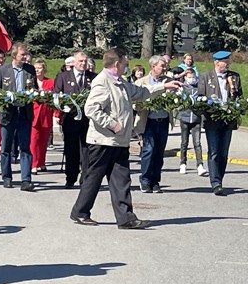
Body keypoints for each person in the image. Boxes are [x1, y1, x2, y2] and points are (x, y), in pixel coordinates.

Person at [70, 48, 181, 229]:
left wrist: (164, 87)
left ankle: (126, 219)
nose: (127, 66)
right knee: (93, 178)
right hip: (103, 141)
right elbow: (91, 109)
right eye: (125, 63)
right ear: (116, 64)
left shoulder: (121, 82)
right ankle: (80, 212)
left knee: (121, 180)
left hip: (119, 142)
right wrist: (113, 124)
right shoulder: (102, 81)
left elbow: (141, 92)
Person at [197, 51, 242, 196]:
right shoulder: (205, 76)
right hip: (212, 120)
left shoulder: (234, 77)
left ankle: (219, 178)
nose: (228, 65)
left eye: (228, 63)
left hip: (228, 120)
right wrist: (207, 107)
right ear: (217, 63)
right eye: (225, 63)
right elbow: (200, 97)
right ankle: (216, 183)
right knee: (214, 152)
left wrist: (236, 102)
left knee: (223, 153)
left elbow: (239, 96)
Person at [0, 42, 36, 191]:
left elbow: (34, 90)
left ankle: (26, 180)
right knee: (6, 147)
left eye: (26, 54)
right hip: (7, 114)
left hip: (24, 114)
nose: (25, 57)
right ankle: (7, 177)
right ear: (14, 55)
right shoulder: (2, 70)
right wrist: (4, 100)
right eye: (22, 54)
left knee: (25, 147)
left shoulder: (30, 70)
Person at [53, 51, 97, 188]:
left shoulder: (93, 77)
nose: (83, 64)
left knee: (87, 150)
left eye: (85, 61)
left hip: (88, 120)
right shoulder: (63, 76)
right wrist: (66, 107)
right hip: (70, 119)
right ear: (74, 62)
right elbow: (56, 94)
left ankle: (86, 179)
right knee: (71, 150)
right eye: (80, 61)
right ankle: (70, 178)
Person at [134, 55, 174, 193]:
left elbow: (176, 99)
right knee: (148, 150)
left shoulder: (169, 81)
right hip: (147, 122)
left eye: (165, 66)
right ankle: (145, 180)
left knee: (159, 152)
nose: (164, 68)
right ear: (153, 67)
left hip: (162, 121)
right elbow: (135, 104)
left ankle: (155, 181)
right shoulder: (141, 82)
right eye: (162, 66)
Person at [177, 68, 206, 176]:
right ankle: (183, 163)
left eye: (193, 77)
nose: (191, 79)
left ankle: (200, 165)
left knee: (197, 143)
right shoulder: (182, 88)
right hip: (184, 118)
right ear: (185, 77)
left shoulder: (199, 88)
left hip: (196, 118)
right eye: (189, 77)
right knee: (184, 142)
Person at [30, 60, 55, 175]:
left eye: (39, 68)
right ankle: (34, 164)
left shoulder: (50, 82)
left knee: (44, 141)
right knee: (34, 140)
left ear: (44, 69)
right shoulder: (30, 82)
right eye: (35, 68)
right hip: (33, 115)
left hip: (46, 114)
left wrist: (56, 114)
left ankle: (41, 162)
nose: (37, 70)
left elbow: (54, 99)